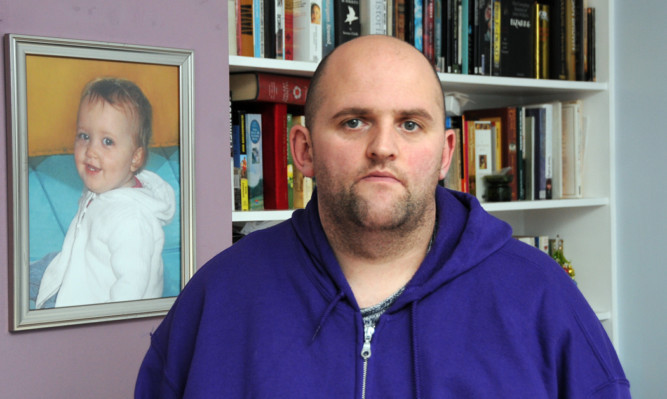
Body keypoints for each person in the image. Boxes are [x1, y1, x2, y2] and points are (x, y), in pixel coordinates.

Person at [135, 36, 630, 397]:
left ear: (445, 153)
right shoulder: (219, 297)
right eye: (354, 122)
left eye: (410, 124)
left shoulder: (541, 297)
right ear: (303, 150)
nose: (383, 148)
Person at [35, 77, 175, 309]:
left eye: (107, 141)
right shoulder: (109, 185)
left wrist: (103, 333)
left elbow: (131, 291)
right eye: (84, 136)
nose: (91, 150)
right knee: (21, 275)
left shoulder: (132, 220)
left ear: (135, 158)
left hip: (87, 307)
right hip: (74, 269)